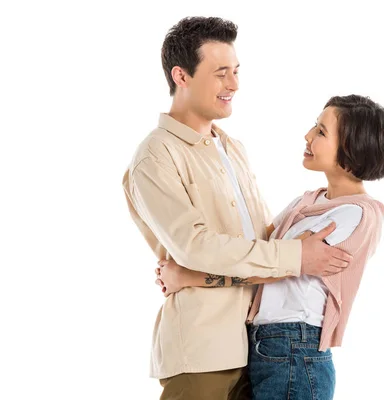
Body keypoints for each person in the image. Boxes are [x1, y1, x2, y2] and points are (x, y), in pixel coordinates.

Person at [122, 16, 352, 400]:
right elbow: (197, 247)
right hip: (203, 354)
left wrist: (196, 276)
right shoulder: (156, 155)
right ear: (181, 76)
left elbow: (256, 242)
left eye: (236, 71)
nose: (234, 84)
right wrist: (296, 256)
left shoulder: (231, 148)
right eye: (221, 73)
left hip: (262, 348)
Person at [156, 94, 384, 399]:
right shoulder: (307, 201)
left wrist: (188, 277)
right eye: (315, 125)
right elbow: (260, 252)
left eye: (322, 132)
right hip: (264, 346)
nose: (308, 135)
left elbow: (276, 266)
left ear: (353, 150)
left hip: (295, 349)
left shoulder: (356, 214)